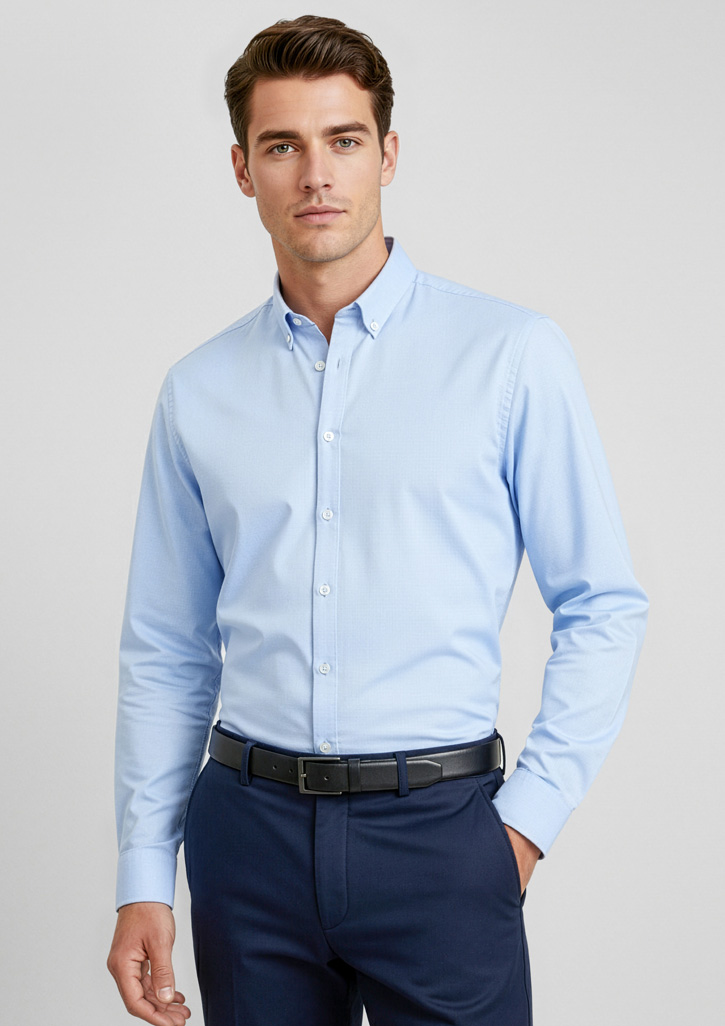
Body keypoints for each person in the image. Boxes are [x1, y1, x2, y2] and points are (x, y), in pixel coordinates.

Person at [106, 14, 649, 1026]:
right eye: (282, 145)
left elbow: (602, 604)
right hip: (246, 844)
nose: (316, 174)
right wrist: (144, 875)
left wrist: (522, 828)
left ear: (387, 154)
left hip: (441, 839)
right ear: (243, 169)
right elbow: (166, 647)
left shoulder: (509, 356)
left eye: (343, 140)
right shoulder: (198, 390)